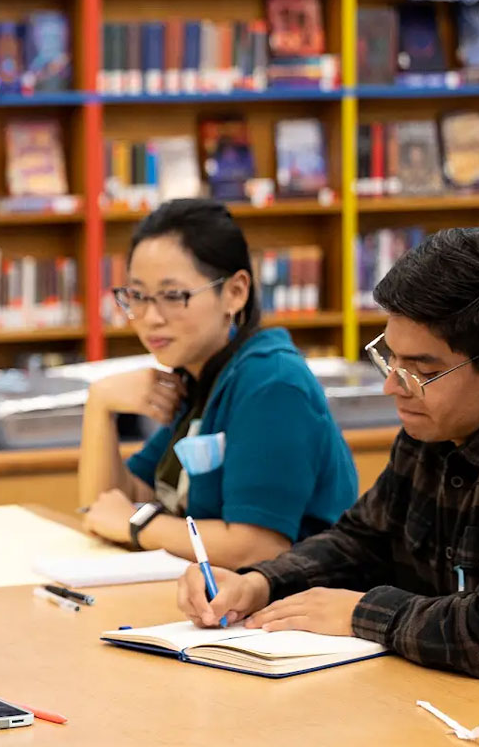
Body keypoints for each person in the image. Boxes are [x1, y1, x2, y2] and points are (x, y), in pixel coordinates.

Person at [178, 227, 479, 679]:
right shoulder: (432, 431)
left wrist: (363, 613)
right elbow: (362, 541)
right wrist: (259, 582)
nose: (391, 387)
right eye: (390, 359)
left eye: (422, 370)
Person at [79, 199, 357, 568]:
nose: (150, 318)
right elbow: (106, 507)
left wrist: (138, 525)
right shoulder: (199, 374)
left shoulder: (271, 384)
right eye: (138, 296)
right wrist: (99, 406)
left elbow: (257, 547)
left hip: (293, 608)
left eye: (173, 296)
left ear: (235, 292)